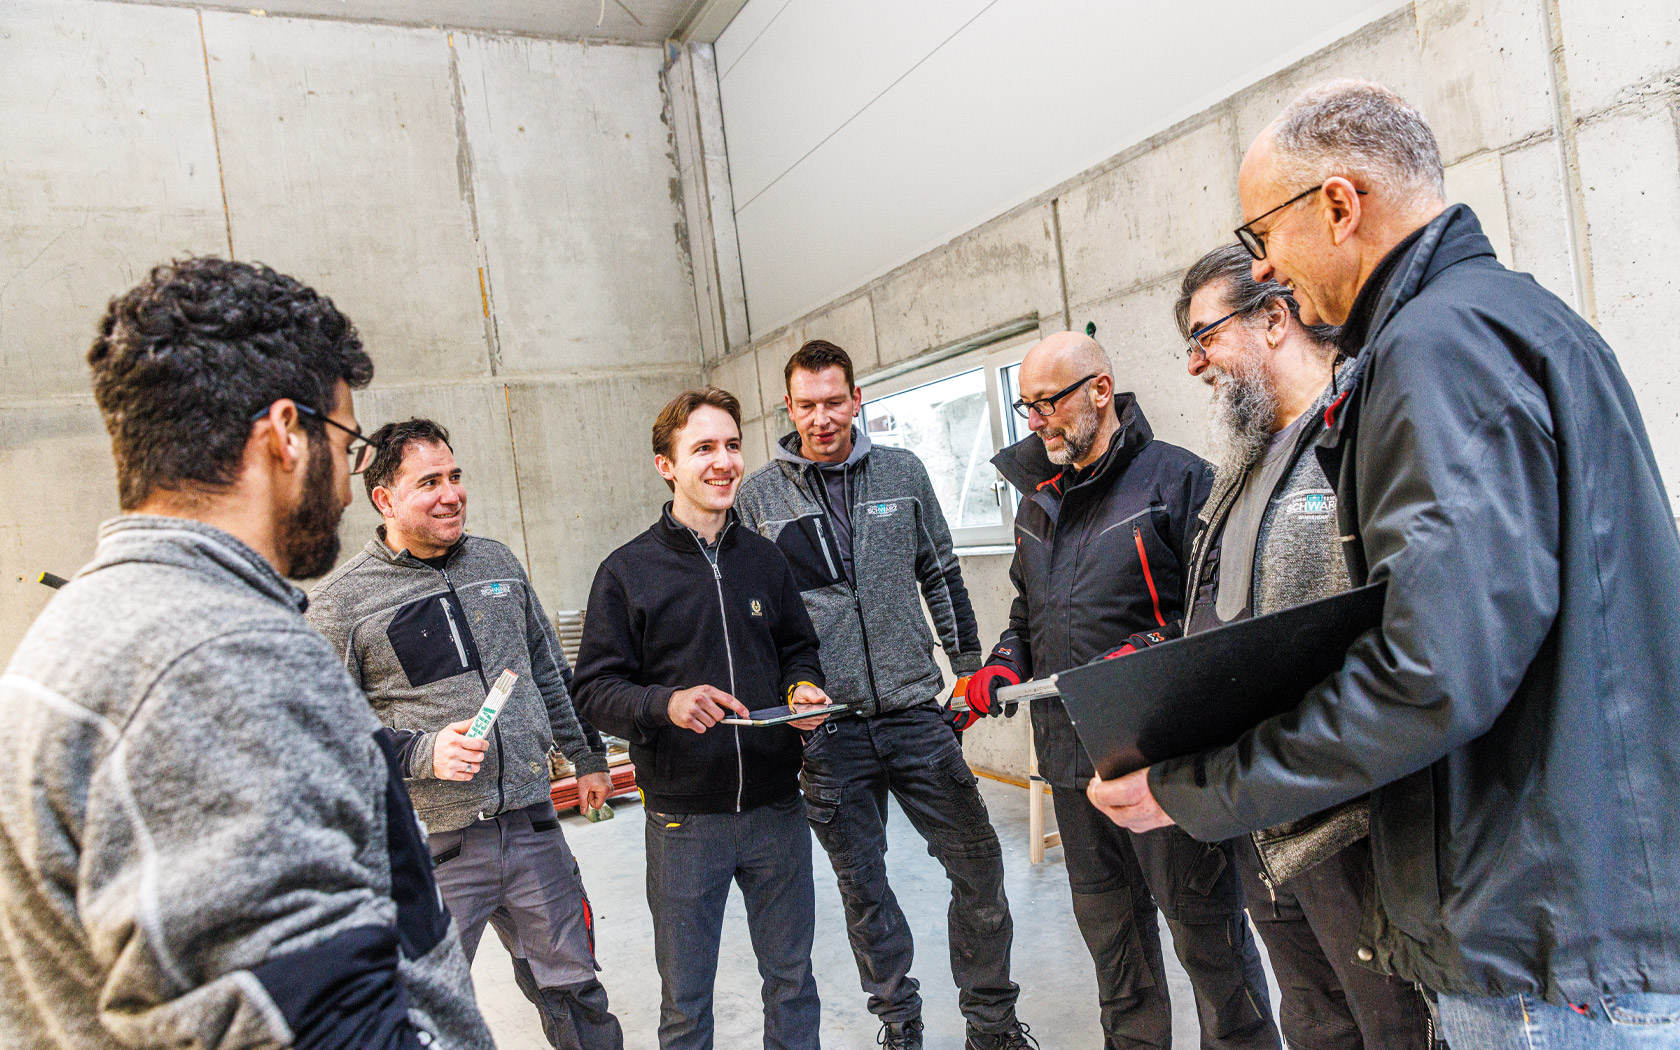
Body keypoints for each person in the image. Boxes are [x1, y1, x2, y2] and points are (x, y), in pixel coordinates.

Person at [1089, 79, 1680, 1047]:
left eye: (1260, 236)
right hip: (1582, 910)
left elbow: (1431, 671)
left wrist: (1195, 789)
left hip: (1539, 943)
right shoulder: (1525, 322)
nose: (1268, 266)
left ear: (1337, 203)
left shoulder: (1434, 349)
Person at [0, 257, 492, 1049]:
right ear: (286, 437)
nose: (347, 481)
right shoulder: (221, 664)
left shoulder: (87, 626)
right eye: (349, 441)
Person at [972, 331, 1279, 1050]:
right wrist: (1003, 662)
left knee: (1210, 940)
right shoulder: (1036, 504)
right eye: (1026, 407)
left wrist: (1135, 661)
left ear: (1100, 391)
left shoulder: (1178, 480)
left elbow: (1213, 611)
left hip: (1161, 757)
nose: (1036, 420)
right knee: (1116, 947)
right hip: (1071, 761)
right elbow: (1027, 614)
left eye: (1048, 402)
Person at [734, 340, 1036, 1050]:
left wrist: (966, 667)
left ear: (856, 398)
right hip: (829, 731)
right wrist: (787, 704)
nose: (821, 418)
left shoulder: (901, 471)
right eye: (806, 405)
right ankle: (900, 1024)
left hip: (912, 713)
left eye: (834, 401)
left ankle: (991, 1024)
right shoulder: (758, 498)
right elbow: (759, 619)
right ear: (788, 407)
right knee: (864, 890)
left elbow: (941, 572)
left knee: (978, 867)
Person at [1172, 243, 1431, 1049]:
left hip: (1354, 822)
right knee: (1315, 1021)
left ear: (1275, 317)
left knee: (1395, 1025)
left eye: (1205, 336)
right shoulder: (1240, 466)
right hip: (1264, 816)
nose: (1194, 365)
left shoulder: (1358, 431)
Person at [307, 417, 623, 1050]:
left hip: (534, 828)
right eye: (430, 482)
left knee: (575, 988)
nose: (451, 493)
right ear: (385, 499)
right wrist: (423, 752)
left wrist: (588, 756)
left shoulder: (495, 562)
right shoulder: (342, 602)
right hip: (436, 846)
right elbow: (329, 733)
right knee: (419, 1006)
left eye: (455, 477)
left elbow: (545, 667)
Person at [572, 386, 834, 1050]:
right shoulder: (627, 572)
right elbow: (595, 690)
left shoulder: (766, 560)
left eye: (732, 445)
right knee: (686, 1003)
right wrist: (666, 703)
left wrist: (803, 689)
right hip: (684, 821)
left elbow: (799, 648)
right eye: (704, 449)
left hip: (778, 808)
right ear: (667, 464)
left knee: (793, 983)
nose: (724, 462)